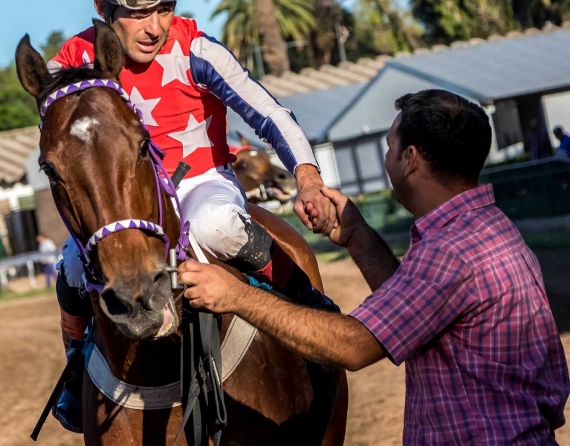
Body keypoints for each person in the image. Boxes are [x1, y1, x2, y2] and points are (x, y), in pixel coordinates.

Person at [48, 0, 338, 432]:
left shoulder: (198, 50)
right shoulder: (71, 60)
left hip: (200, 181)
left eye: (165, 8)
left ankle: (312, 305)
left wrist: (307, 177)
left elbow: (268, 113)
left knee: (215, 225)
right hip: (127, 202)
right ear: (103, 7)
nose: (155, 26)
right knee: (72, 265)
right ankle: (77, 361)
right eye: (139, 11)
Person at [178, 90, 570, 444]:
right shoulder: (481, 228)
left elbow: (353, 347)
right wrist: (357, 234)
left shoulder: (452, 253)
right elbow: (416, 310)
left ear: (410, 159)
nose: (386, 158)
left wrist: (236, 296)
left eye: (389, 147)